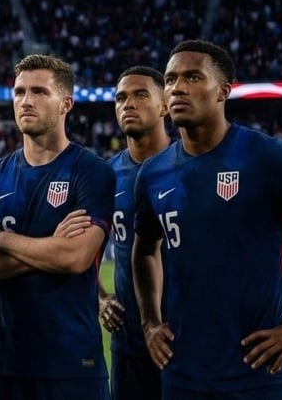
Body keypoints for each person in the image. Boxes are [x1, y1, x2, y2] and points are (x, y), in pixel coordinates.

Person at [132, 40, 282, 399]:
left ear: (223, 91)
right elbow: (143, 250)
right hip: (182, 377)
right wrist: (150, 322)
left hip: (261, 376)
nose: (177, 88)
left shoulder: (268, 157)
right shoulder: (153, 174)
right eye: (170, 80)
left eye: (192, 77)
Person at [0, 53, 114, 400]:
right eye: (20, 92)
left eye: (40, 92)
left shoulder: (92, 172)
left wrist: (2, 239)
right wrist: (49, 248)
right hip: (3, 362)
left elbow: (75, 257)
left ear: (66, 104)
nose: (26, 101)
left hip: (72, 363)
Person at [99, 67, 169, 400]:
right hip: (130, 342)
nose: (129, 103)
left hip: (194, 339)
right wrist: (100, 298)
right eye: (121, 97)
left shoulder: (192, 167)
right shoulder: (104, 177)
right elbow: (80, 252)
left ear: (165, 105)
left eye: (141, 95)